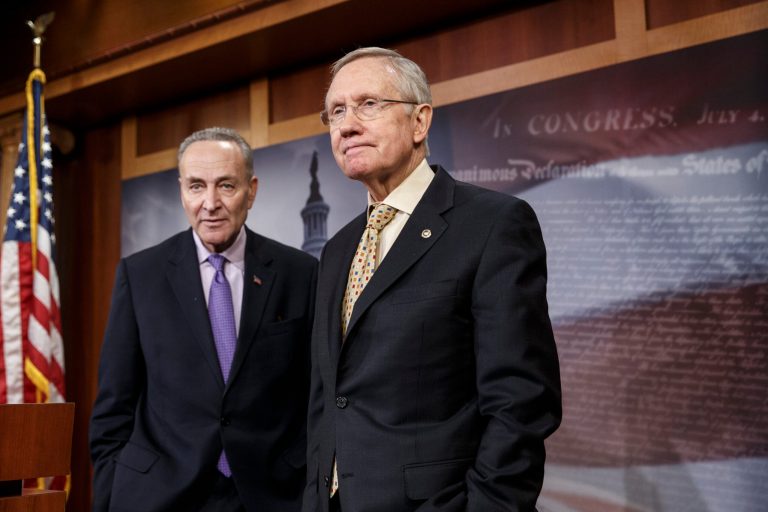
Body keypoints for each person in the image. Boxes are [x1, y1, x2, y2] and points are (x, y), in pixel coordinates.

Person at [302, 48, 562, 512]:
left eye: (368, 104)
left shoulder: (493, 224)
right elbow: (328, 399)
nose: (346, 124)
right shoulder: (338, 249)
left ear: (420, 121)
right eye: (336, 111)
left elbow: (521, 402)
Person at [90, 127, 317, 512]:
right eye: (196, 186)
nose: (209, 203)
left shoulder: (301, 272)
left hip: (274, 495)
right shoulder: (140, 274)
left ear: (252, 189)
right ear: (182, 190)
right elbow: (114, 407)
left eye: (226, 185)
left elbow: (314, 396)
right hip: (162, 496)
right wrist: (113, 494)